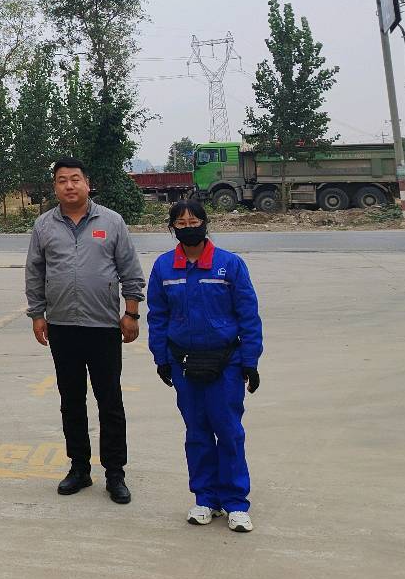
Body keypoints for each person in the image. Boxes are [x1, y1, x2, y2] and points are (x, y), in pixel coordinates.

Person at [25, 156, 146, 504]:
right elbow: (35, 272)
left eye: (75, 179)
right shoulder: (44, 225)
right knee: (71, 401)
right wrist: (37, 314)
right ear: (55, 187)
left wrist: (131, 312)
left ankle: (115, 474)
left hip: (103, 327)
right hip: (62, 327)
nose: (69, 186)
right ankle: (79, 468)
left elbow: (130, 270)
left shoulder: (111, 221)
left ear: (87, 184)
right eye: (62, 180)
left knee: (110, 402)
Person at [147, 197, 264, 532]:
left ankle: (236, 502)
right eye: (181, 224)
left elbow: (248, 315)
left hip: (225, 364)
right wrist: (161, 358)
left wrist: (250, 361)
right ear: (172, 228)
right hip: (184, 363)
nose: (189, 228)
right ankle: (205, 499)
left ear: (205, 223)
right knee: (197, 433)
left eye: (194, 222)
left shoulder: (230, 265)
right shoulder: (164, 267)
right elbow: (158, 316)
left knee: (228, 432)